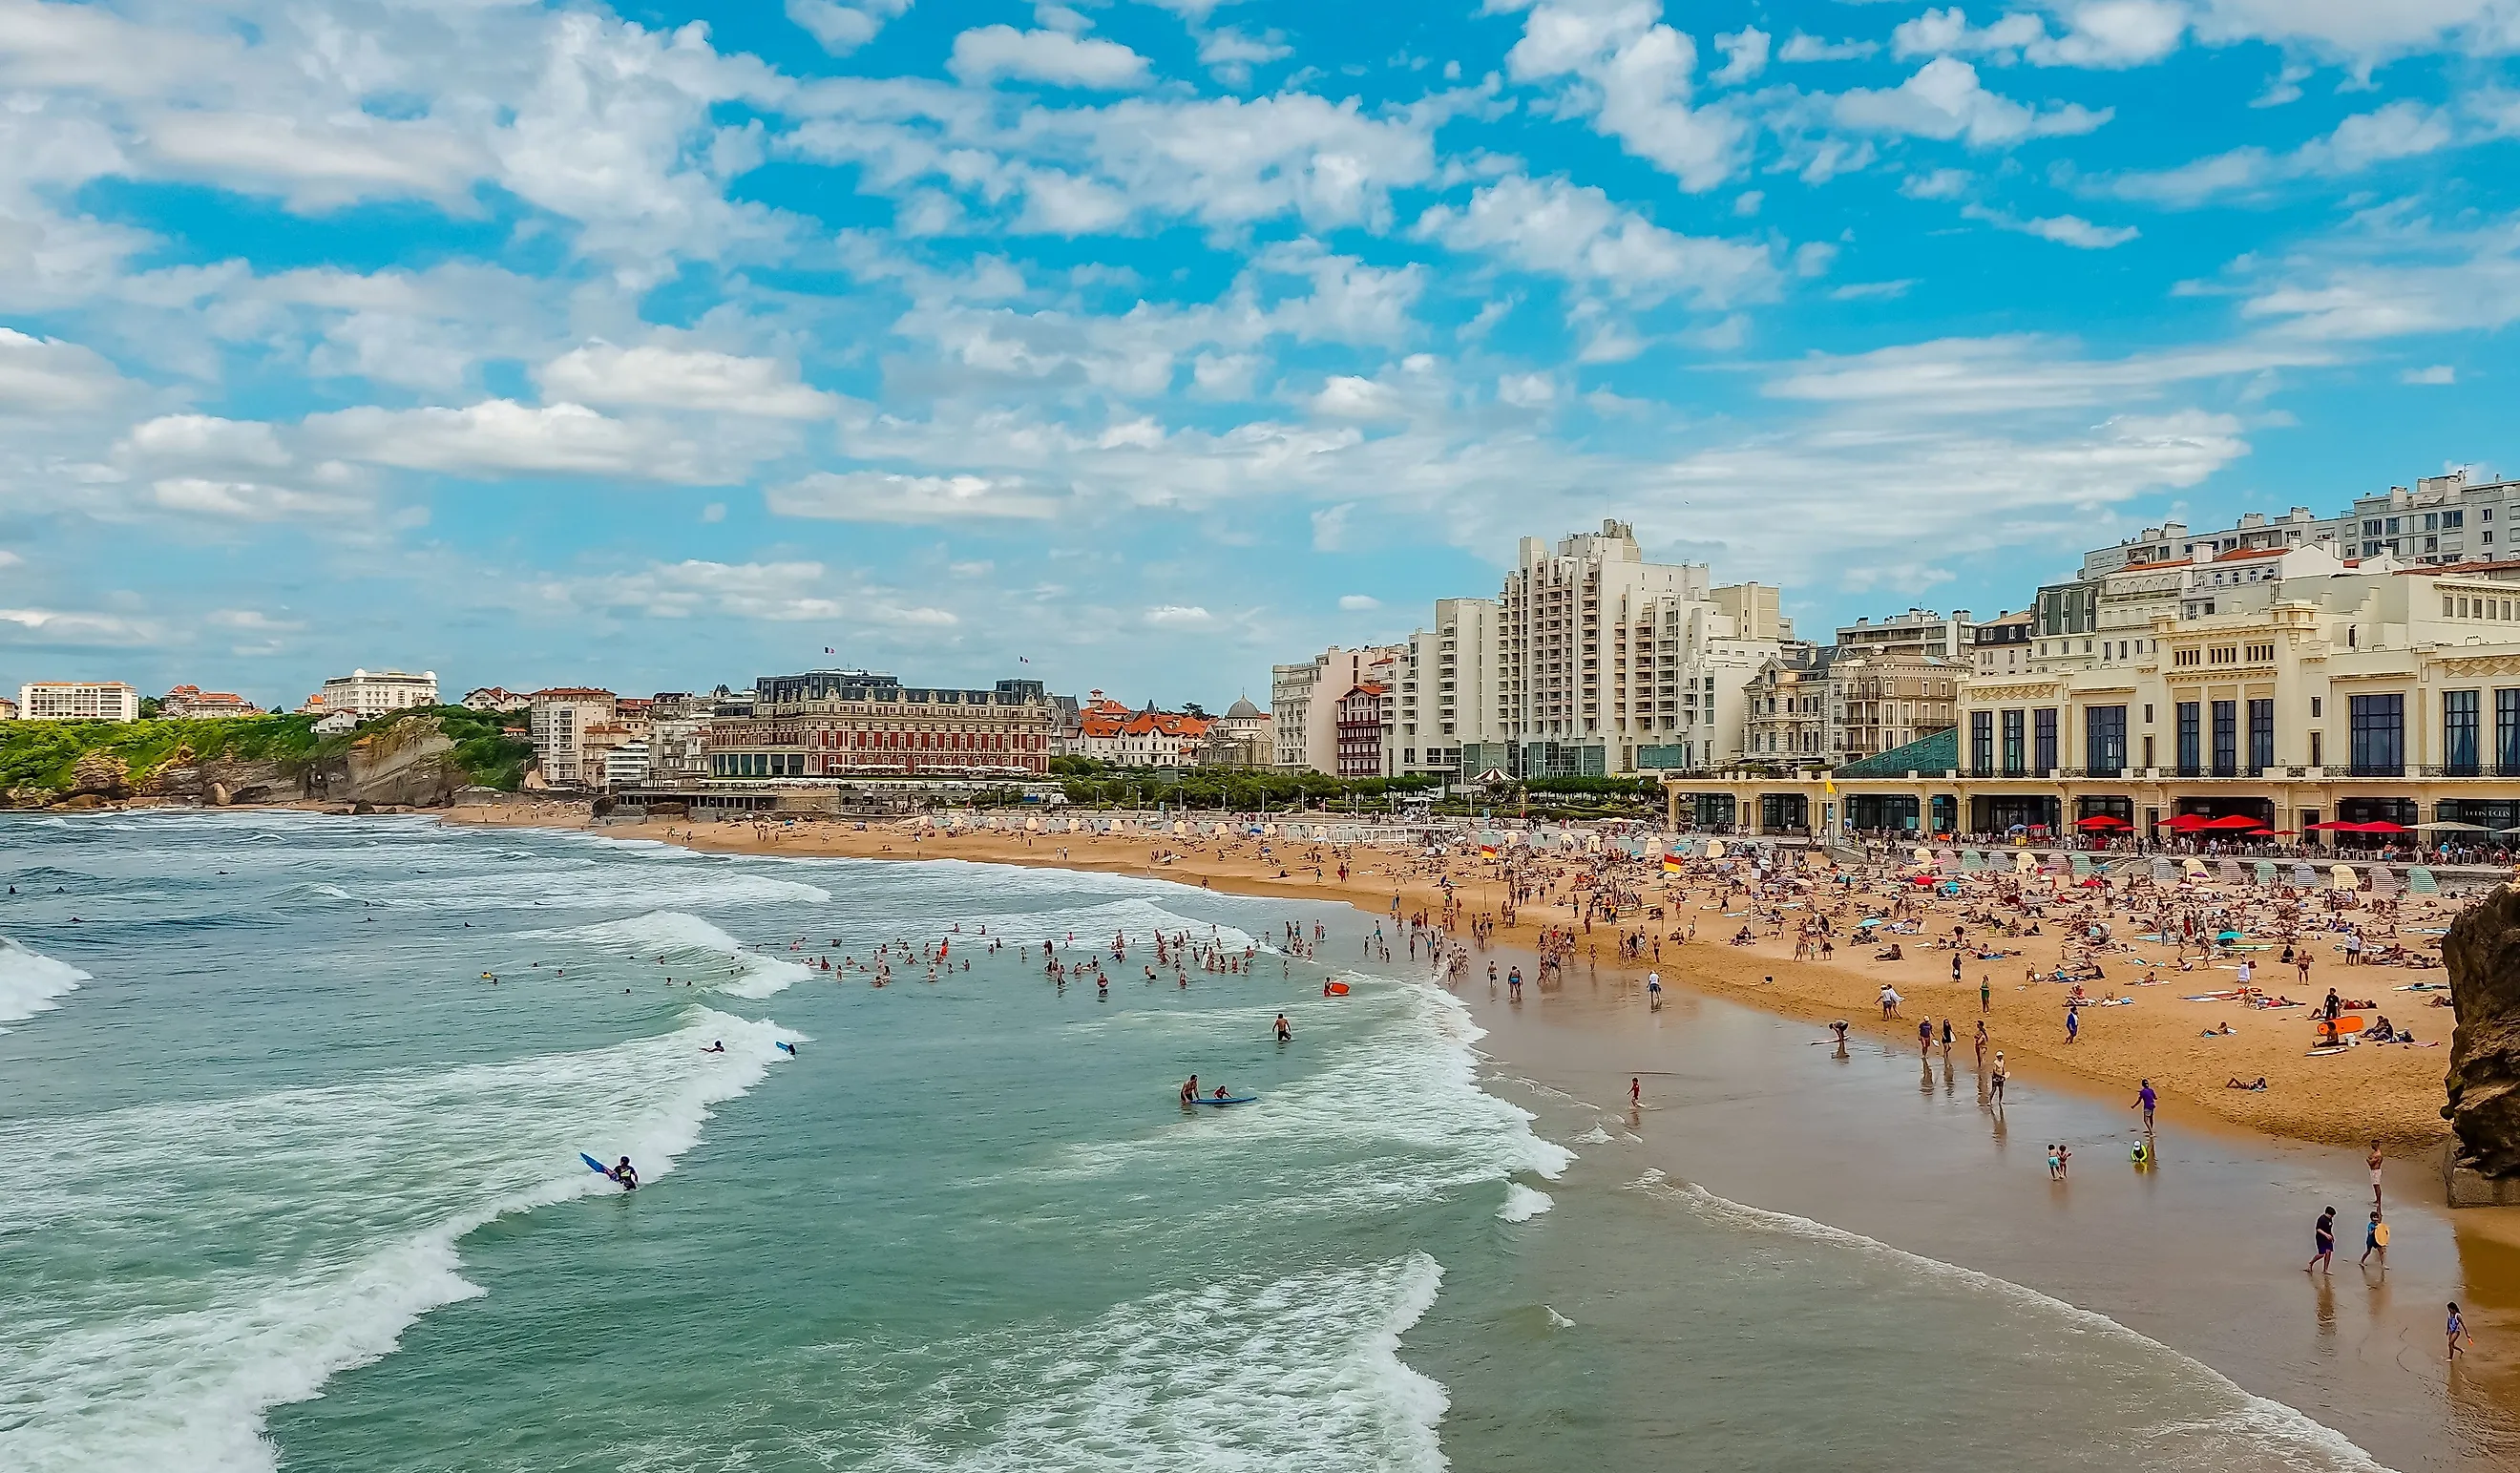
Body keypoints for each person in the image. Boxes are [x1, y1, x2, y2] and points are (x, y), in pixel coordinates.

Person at [2306, 1207, 2337, 1274]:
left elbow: (2329, 1229)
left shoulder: (2330, 1219)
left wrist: (2332, 1235)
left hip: (2328, 1238)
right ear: (2327, 1213)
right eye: (2331, 1215)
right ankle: (2311, 1263)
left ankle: (2325, 1269)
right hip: (2321, 1238)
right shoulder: (2321, 1219)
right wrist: (2326, 1235)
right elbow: (2318, 1229)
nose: (2332, 1217)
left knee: (2329, 1253)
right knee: (2321, 1254)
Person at [2368, 1141, 2385, 1209]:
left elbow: (2371, 1162)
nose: (2371, 1147)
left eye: (2372, 1145)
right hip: (2374, 1171)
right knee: (2375, 1186)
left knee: (2377, 1186)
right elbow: (2370, 1157)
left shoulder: (2377, 1154)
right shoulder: (2375, 1153)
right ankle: (2377, 1200)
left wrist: (2368, 1160)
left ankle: (2378, 1201)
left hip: (2376, 1171)